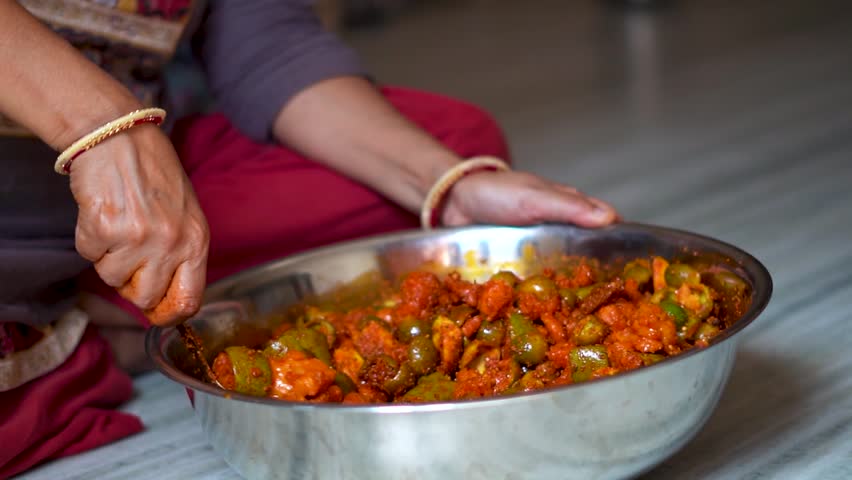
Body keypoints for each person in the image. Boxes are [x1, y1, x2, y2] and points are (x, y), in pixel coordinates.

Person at [0, 0, 618, 477]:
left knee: (455, 139)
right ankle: (89, 331)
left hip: (142, 176)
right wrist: (99, 122)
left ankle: (101, 301)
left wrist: (447, 187)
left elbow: (273, 50)